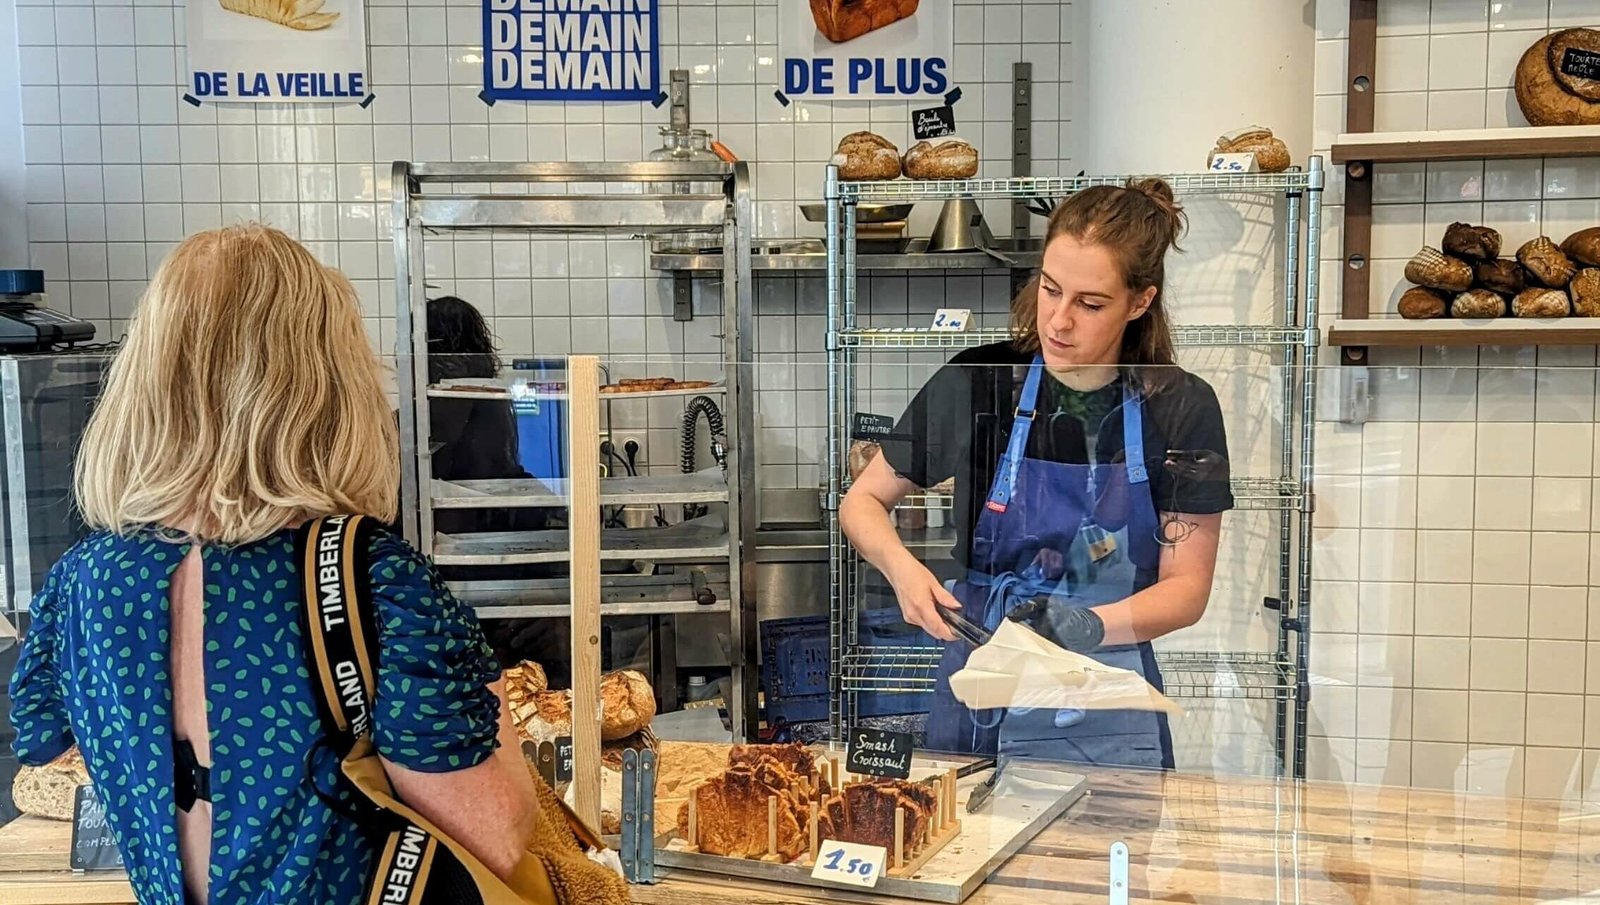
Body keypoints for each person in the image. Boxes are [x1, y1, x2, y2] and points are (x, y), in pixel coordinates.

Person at [7, 225, 539, 904]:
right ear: (324, 385)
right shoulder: (371, 579)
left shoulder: (81, 582)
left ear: (148, 380)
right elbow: (493, 835)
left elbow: (49, 744)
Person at [840, 179, 1233, 769]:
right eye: (1050, 289)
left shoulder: (1179, 405)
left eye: (1090, 304)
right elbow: (862, 501)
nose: (1059, 321)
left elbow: (1187, 590)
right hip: (983, 673)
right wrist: (903, 571)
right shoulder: (981, 381)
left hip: (1104, 686)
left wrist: (1081, 624)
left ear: (1140, 302)